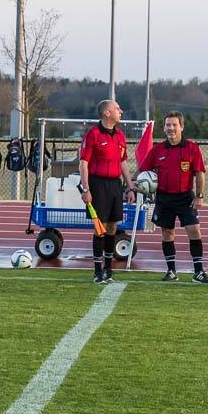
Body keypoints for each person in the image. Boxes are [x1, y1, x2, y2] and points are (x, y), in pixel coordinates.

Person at [138, 111, 207, 283]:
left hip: (185, 198)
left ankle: (198, 272)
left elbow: (199, 174)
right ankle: (171, 271)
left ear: (181, 127)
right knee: (167, 233)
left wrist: (199, 196)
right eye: (168, 125)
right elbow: (142, 170)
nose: (171, 128)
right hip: (164, 198)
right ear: (164, 128)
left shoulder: (192, 148)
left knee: (194, 230)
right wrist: (133, 184)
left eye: (174, 125)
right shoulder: (158, 149)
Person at [79, 100, 136, 284]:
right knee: (100, 228)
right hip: (98, 184)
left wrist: (130, 187)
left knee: (113, 227)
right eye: (117, 108)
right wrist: (86, 189)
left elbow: (123, 163)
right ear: (107, 113)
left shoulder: (120, 135)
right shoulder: (93, 134)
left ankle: (108, 269)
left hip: (115, 185)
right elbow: (83, 163)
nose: (121, 111)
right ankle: (97, 272)